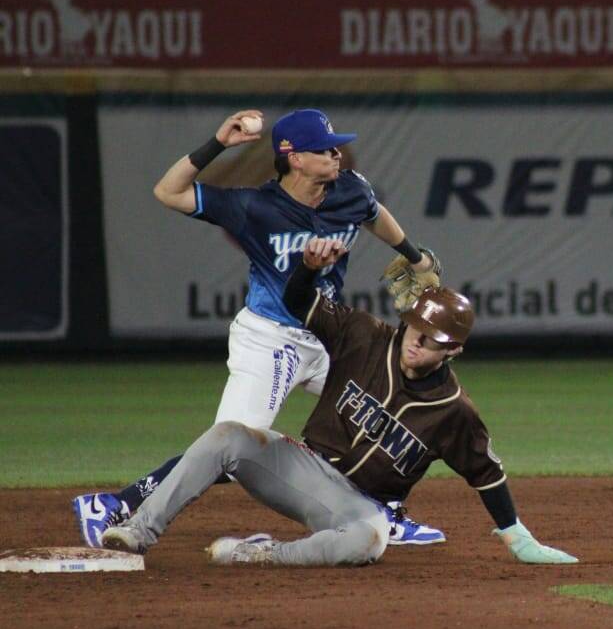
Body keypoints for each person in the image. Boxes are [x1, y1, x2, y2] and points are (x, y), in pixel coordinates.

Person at [73, 109, 445, 548]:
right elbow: (167, 191)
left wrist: (414, 256)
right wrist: (217, 144)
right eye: (323, 148)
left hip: (324, 336)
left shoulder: (350, 189)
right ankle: (116, 503)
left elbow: (374, 212)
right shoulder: (253, 207)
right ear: (294, 158)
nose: (335, 153)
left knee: (391, 405)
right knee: (229, 454)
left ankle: (387, 511)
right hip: (269, 339)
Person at [100, 237, 578, 567]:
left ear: (453, 350)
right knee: (228, 434)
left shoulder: (455, 411)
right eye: (415, 327)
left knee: (369, 543)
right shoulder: (363, 334)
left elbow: (486, 476)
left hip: (359, 506)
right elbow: (299, 302)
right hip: (300, 466)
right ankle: (139, 531)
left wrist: (517, 537)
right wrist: (308, 269)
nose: (417, 342)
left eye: (432, 339)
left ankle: (258, 555)